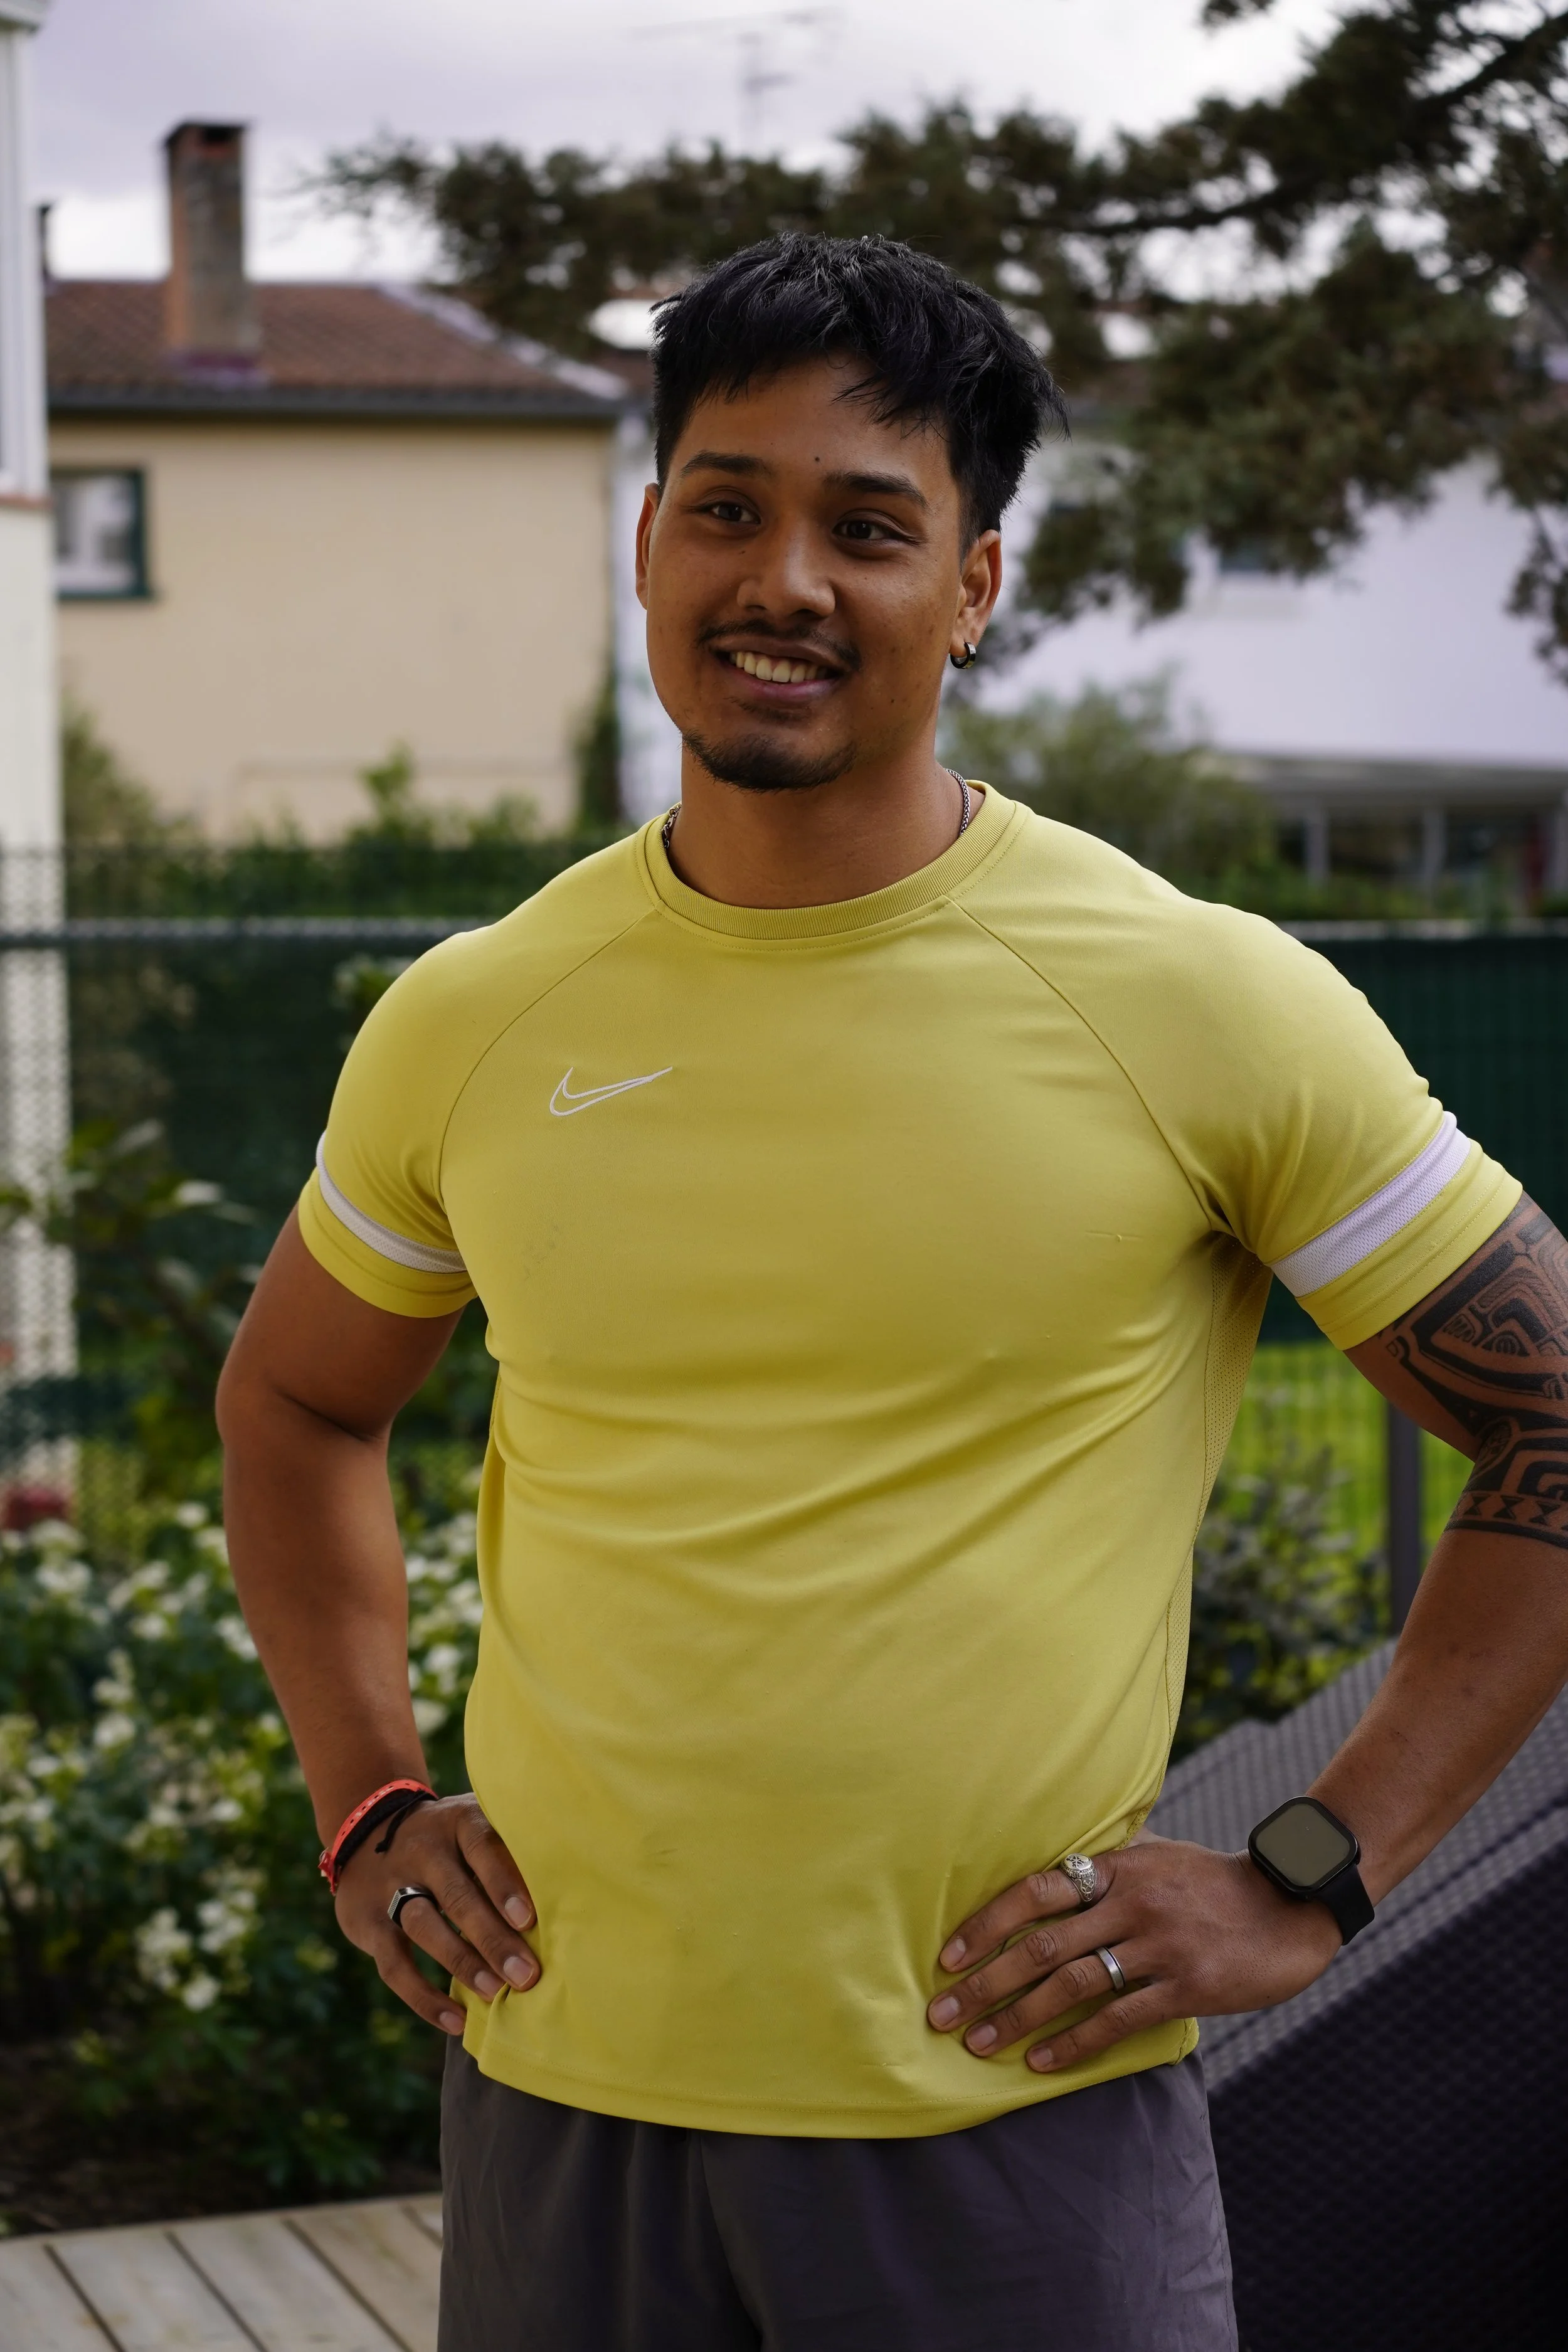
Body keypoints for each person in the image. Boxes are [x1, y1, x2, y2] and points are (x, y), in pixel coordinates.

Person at [216, 233, 1568, 2352]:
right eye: (725, 507)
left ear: (973, 585)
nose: (784, 581)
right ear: (646, 541)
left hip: (1005, 2118)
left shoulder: (1192, 1000)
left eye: (868, 527)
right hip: (556, 2090)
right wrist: (368, 1794)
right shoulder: (473, 1015)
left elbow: (1551, 1413)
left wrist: (1313, 1866)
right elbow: (296, 1403)